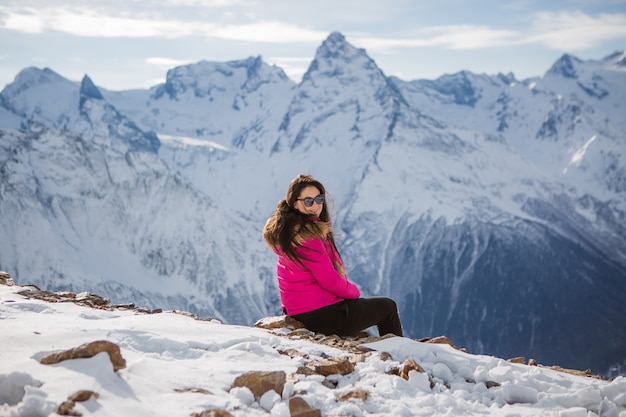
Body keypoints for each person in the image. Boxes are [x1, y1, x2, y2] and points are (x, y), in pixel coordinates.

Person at [263, 174, 403, 337]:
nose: (315, 205)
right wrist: (354, 292)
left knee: (366, 309)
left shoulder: (287, 233)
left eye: (319, 199)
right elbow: (329, 279)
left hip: (301, 313)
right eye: (308, 201)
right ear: (295, 203)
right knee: (387, 307)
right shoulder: (309, 237)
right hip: (322, 315)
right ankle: (401, 353)